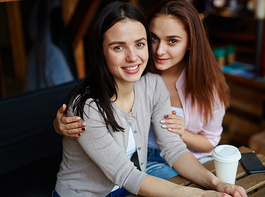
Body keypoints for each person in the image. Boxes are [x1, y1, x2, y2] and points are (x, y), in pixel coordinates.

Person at [52, 1, 247, 197]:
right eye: (118, 47)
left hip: (124, 189)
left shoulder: (153, 85)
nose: (132, 57)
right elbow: (126, 174)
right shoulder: (88, 107)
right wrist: (202, 195)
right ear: (101, 51)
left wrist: (218, 184)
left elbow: (173, 149)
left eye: (139, 44)